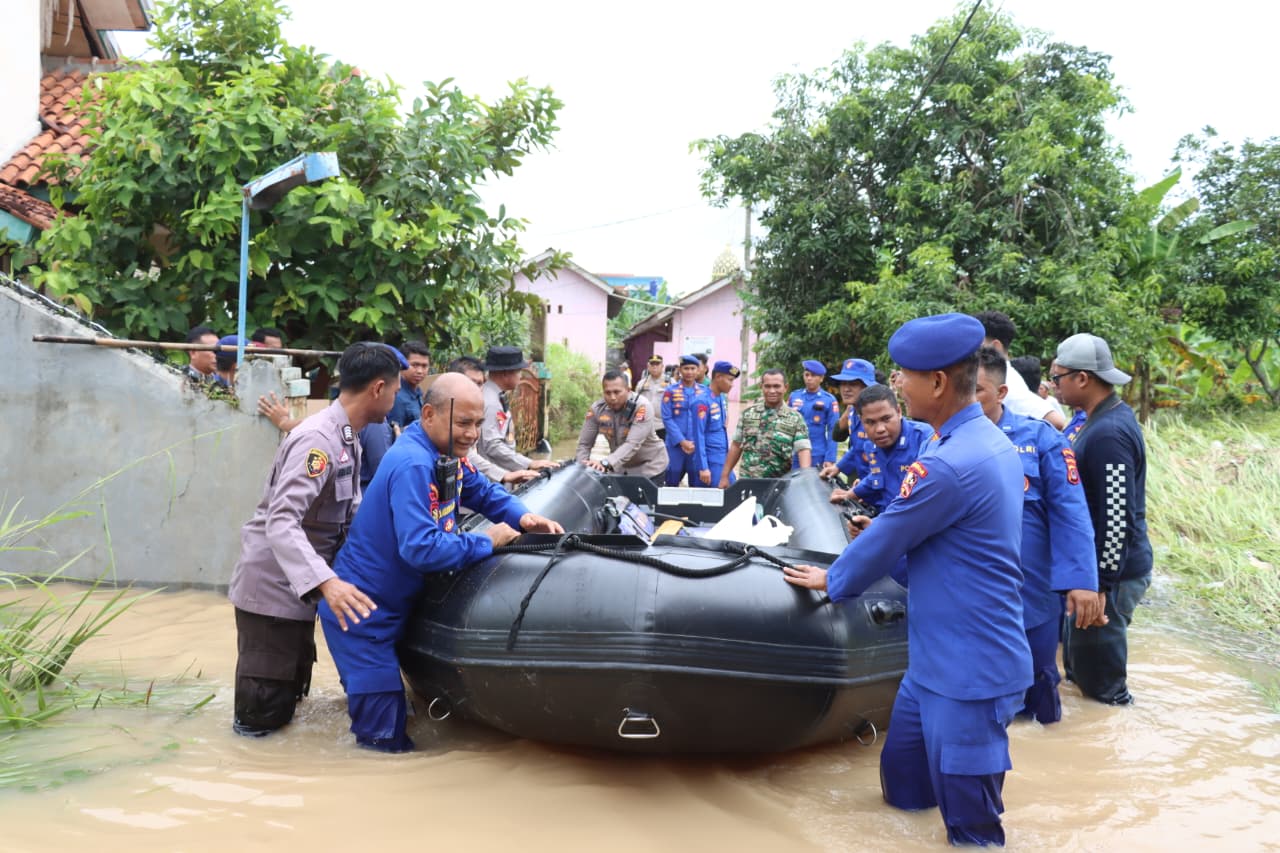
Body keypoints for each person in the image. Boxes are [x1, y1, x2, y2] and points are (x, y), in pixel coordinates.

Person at [781, 313, 1031, 847]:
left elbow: (890, 536)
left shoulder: (950, 461)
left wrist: (833, 579)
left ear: (937, 382)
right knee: (903, 790)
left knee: (971, 828)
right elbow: (929, 536)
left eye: (904, 376)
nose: (898, 385)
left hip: (970, 671)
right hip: (932, 661)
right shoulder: (970, 440)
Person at [319, 373, 564, 751]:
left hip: (398, 604)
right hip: (363, 613)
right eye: (463, 423)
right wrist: (486, 540)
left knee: (398, 714)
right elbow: (419, 548)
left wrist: (523, 517)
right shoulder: (413, 464)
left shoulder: (446, 453)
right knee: (383, 741)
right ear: (429, 414)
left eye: (478, 424)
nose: (472, 434)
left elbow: (482, 491)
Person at [226, 342, 401, 737]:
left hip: (300, 591)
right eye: (395, 389)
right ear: (378, 388)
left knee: (290, 698)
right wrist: (327, 582)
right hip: (274, 592)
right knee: (261, 719)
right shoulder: (318, 441)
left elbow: (349, 513)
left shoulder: (347, 436)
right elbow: (281, 520)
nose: (395, 399)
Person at [975, 347, 1104, 723]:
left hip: (1031, 589)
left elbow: (1070, 511)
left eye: (977, 390)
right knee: (978, 682)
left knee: (1038, 676)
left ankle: (1046, 738)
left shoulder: (1040, 439)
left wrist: (1081, 581)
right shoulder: (939, 440)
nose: (966, 399)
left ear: (1001, 393)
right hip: (969, 589)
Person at [1051, 333, 1153, 706]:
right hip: (1096, 572)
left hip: (1111, 576)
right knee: (1080, 672)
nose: (1053, 385)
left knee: (1103, 690)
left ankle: (1115, 736)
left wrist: (1099, 585)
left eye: (1057, 377)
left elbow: (1117, 514)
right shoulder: (1098, 420)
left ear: (1082, 378)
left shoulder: (1108, 433)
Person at [821, 384, 933, 513]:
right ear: (862, 421)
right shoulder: (871, 446)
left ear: (898, 412)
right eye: (870, 422)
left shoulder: (925, 439)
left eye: (886, 419)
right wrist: (851, 494)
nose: (880, 429)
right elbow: (877, 476)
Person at [443, 356, 540, 487]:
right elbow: (488, 446)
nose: (476, 389)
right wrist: (521, 467)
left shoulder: (489, 399)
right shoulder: (489, 403)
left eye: (480, 383)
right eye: (518, 371)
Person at [973, 311, 1067, 429]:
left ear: (996, 347)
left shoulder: (1008, 381)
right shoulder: (1007, 376)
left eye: (977, 346)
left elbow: (1055, 421)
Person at [718, 369, 810, 484]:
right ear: (761, 387)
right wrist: (725, 475)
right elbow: (736, 446)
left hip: (778, 484)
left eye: (776, 386)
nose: (772, 391)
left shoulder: (795, 418)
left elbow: (803, 450)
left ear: (785, 387)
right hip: (748, 482)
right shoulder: (748, 414)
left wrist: (807, 479)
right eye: (767, 386)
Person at [477, 346, 558, 475]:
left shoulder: (494, 395)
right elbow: (492, 445)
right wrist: (528, 464)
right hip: (493, 475)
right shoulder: (491, 403)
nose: (520, 376)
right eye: (519, 371)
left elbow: (504, 434)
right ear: (505, 374)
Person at [575, 370, 668, 481]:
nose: (612, 397)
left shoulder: (642, 407)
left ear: (628, 390)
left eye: (617, 392)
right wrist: (581, 467)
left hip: (650, 468)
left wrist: (605, 463)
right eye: (607, 393)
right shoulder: (597, 409)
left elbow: (632, 443)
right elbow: (584, 444)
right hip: (619, 469)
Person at [661, 355, 713, 486]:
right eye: (686, 368)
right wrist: (682, 441)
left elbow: (708, 420)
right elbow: (667, 418)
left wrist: (698, 442)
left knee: (696, 483)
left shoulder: (705, 392)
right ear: (680, 370)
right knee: (671, 481)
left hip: (697, 446)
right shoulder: (670, 391)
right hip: (675, 445)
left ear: (698, 370)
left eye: (692, 368)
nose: (689, 372)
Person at [788, 360, 839, 469]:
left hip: (817, 453)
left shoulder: (829, 400)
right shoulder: (794, 396)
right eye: (806, 375)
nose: (809, 378)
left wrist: (830, 458)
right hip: (795, 453)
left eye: (813, 375)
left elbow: (833, 430)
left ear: (821, 378)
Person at [705, 361, 740, 487]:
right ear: (718, 377)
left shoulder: (720, 397)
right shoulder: (703, 400)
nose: (732, 384)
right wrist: (703, 467)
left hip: (722, 455)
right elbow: (698, 435)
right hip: (710, 458)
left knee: (732, 488)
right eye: (730, 380)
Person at [829, 357, 877, 444]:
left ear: (867, 387)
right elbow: (837, 436)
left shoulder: (878, 413)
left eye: (853, 384)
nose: (846, 389)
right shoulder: (852, 410)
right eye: (843, 383)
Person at [387, 341, 431, 430]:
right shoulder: (396, 396)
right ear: (402, 364)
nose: (420, 371)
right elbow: (394, 432)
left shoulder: (418, 391)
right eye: (415, 365)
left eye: (424, 366)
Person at [633, 355, 667, 440]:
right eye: (652, 364)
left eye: (657, 364)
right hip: (645, 424)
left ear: (662, 366)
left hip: (663, 425)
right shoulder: (641, 383)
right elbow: (637, 403)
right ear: (648, 366)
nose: (654, 367)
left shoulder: (670, 383)